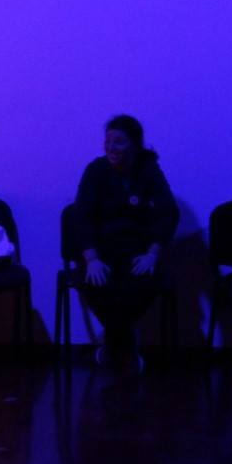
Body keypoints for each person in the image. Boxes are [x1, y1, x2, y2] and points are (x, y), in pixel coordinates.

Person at [73, 115, 177, 369]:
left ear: (135, 145)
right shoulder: (96, 170)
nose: (111, 147)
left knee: (146, 280)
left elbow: (169, 212)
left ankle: (111, 344)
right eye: (107, 141)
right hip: (100, 252)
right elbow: (81, 215)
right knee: (95, 282)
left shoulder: (148, 170)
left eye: (118, 142)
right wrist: (92, 258)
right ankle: (126, 342)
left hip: (136, 251)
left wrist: (152, 253)